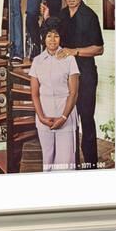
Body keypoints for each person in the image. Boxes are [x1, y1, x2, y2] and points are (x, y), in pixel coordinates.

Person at [42, 0, 104, 169]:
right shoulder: (60, 15)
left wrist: (74, 51)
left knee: (86, 120)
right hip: (65, 78)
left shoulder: (90, 16)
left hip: (86, 76)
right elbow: (51, 37)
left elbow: (99, 48)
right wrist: (45, 19)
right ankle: (73, 165)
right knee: (68, 123)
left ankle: (92, 166)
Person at [29, 18, 79, 171]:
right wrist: (41, 117)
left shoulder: (70, 59)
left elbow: (74, 93)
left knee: (65, 164)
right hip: (44, 118)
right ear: (44, 37)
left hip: (66, 117)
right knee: (48, 161)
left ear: (61, 37)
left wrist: (63, 117)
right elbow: (35, 94)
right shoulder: (37, 61)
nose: (52, 39)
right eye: (49, 35)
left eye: (56, 35)